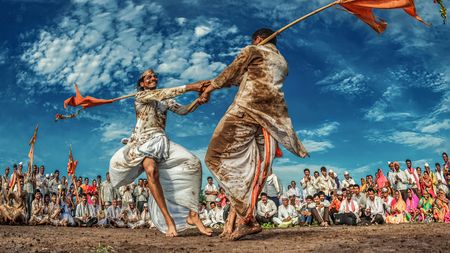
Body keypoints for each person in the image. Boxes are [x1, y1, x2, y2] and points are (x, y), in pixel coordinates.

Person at [199, 28, 309, 240]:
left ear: (258, 38)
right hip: (270, 119)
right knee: (257, 169)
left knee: (213, 157)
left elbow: (232, 71)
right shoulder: (282, 63)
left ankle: (247, 219)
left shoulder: (253, 50)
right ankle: (237, 221)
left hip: (246, 110)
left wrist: (210, 88)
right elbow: (244, 77)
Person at [109, 69, 210, 237]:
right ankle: (170, 222)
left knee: (193, 163)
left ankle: (193, 215)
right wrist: (192, 87)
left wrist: (199, 101)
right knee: (151, 171)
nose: (152, 78)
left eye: (154, 76)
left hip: (161, 140)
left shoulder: (165, 99)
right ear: (141, 83)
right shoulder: (140, 97)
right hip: (144, 140)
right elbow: (162, 93)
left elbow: (183, 110)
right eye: (148, 77)